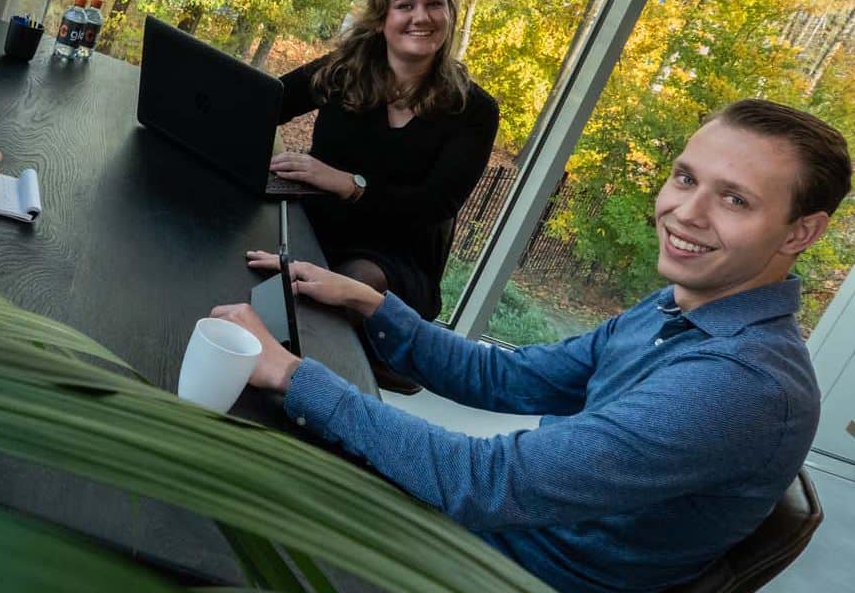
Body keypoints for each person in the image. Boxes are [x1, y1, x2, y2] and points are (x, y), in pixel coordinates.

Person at [218, 99, 850, 592]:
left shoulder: (740, 385)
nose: (687, 212)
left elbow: (488, 483)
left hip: (501, 570)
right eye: (686, 178)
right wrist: (375, 304)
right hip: (496, 531)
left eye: (735, 199)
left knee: (221, 496)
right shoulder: (679, 306)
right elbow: (513, 378)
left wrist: (290, 375)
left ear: (801, 232)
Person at [268, 0, 499, 389]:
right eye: (405, 5)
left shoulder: (474, 110)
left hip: (397, 257)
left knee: (348, 285)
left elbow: (435, 206)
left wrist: (347, 184)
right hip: (318, 224)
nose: (421, 17)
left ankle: (316, 384)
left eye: (435, 4)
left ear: (449, 14)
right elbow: (267, 103)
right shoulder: (342, 71)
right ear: (382, 18)